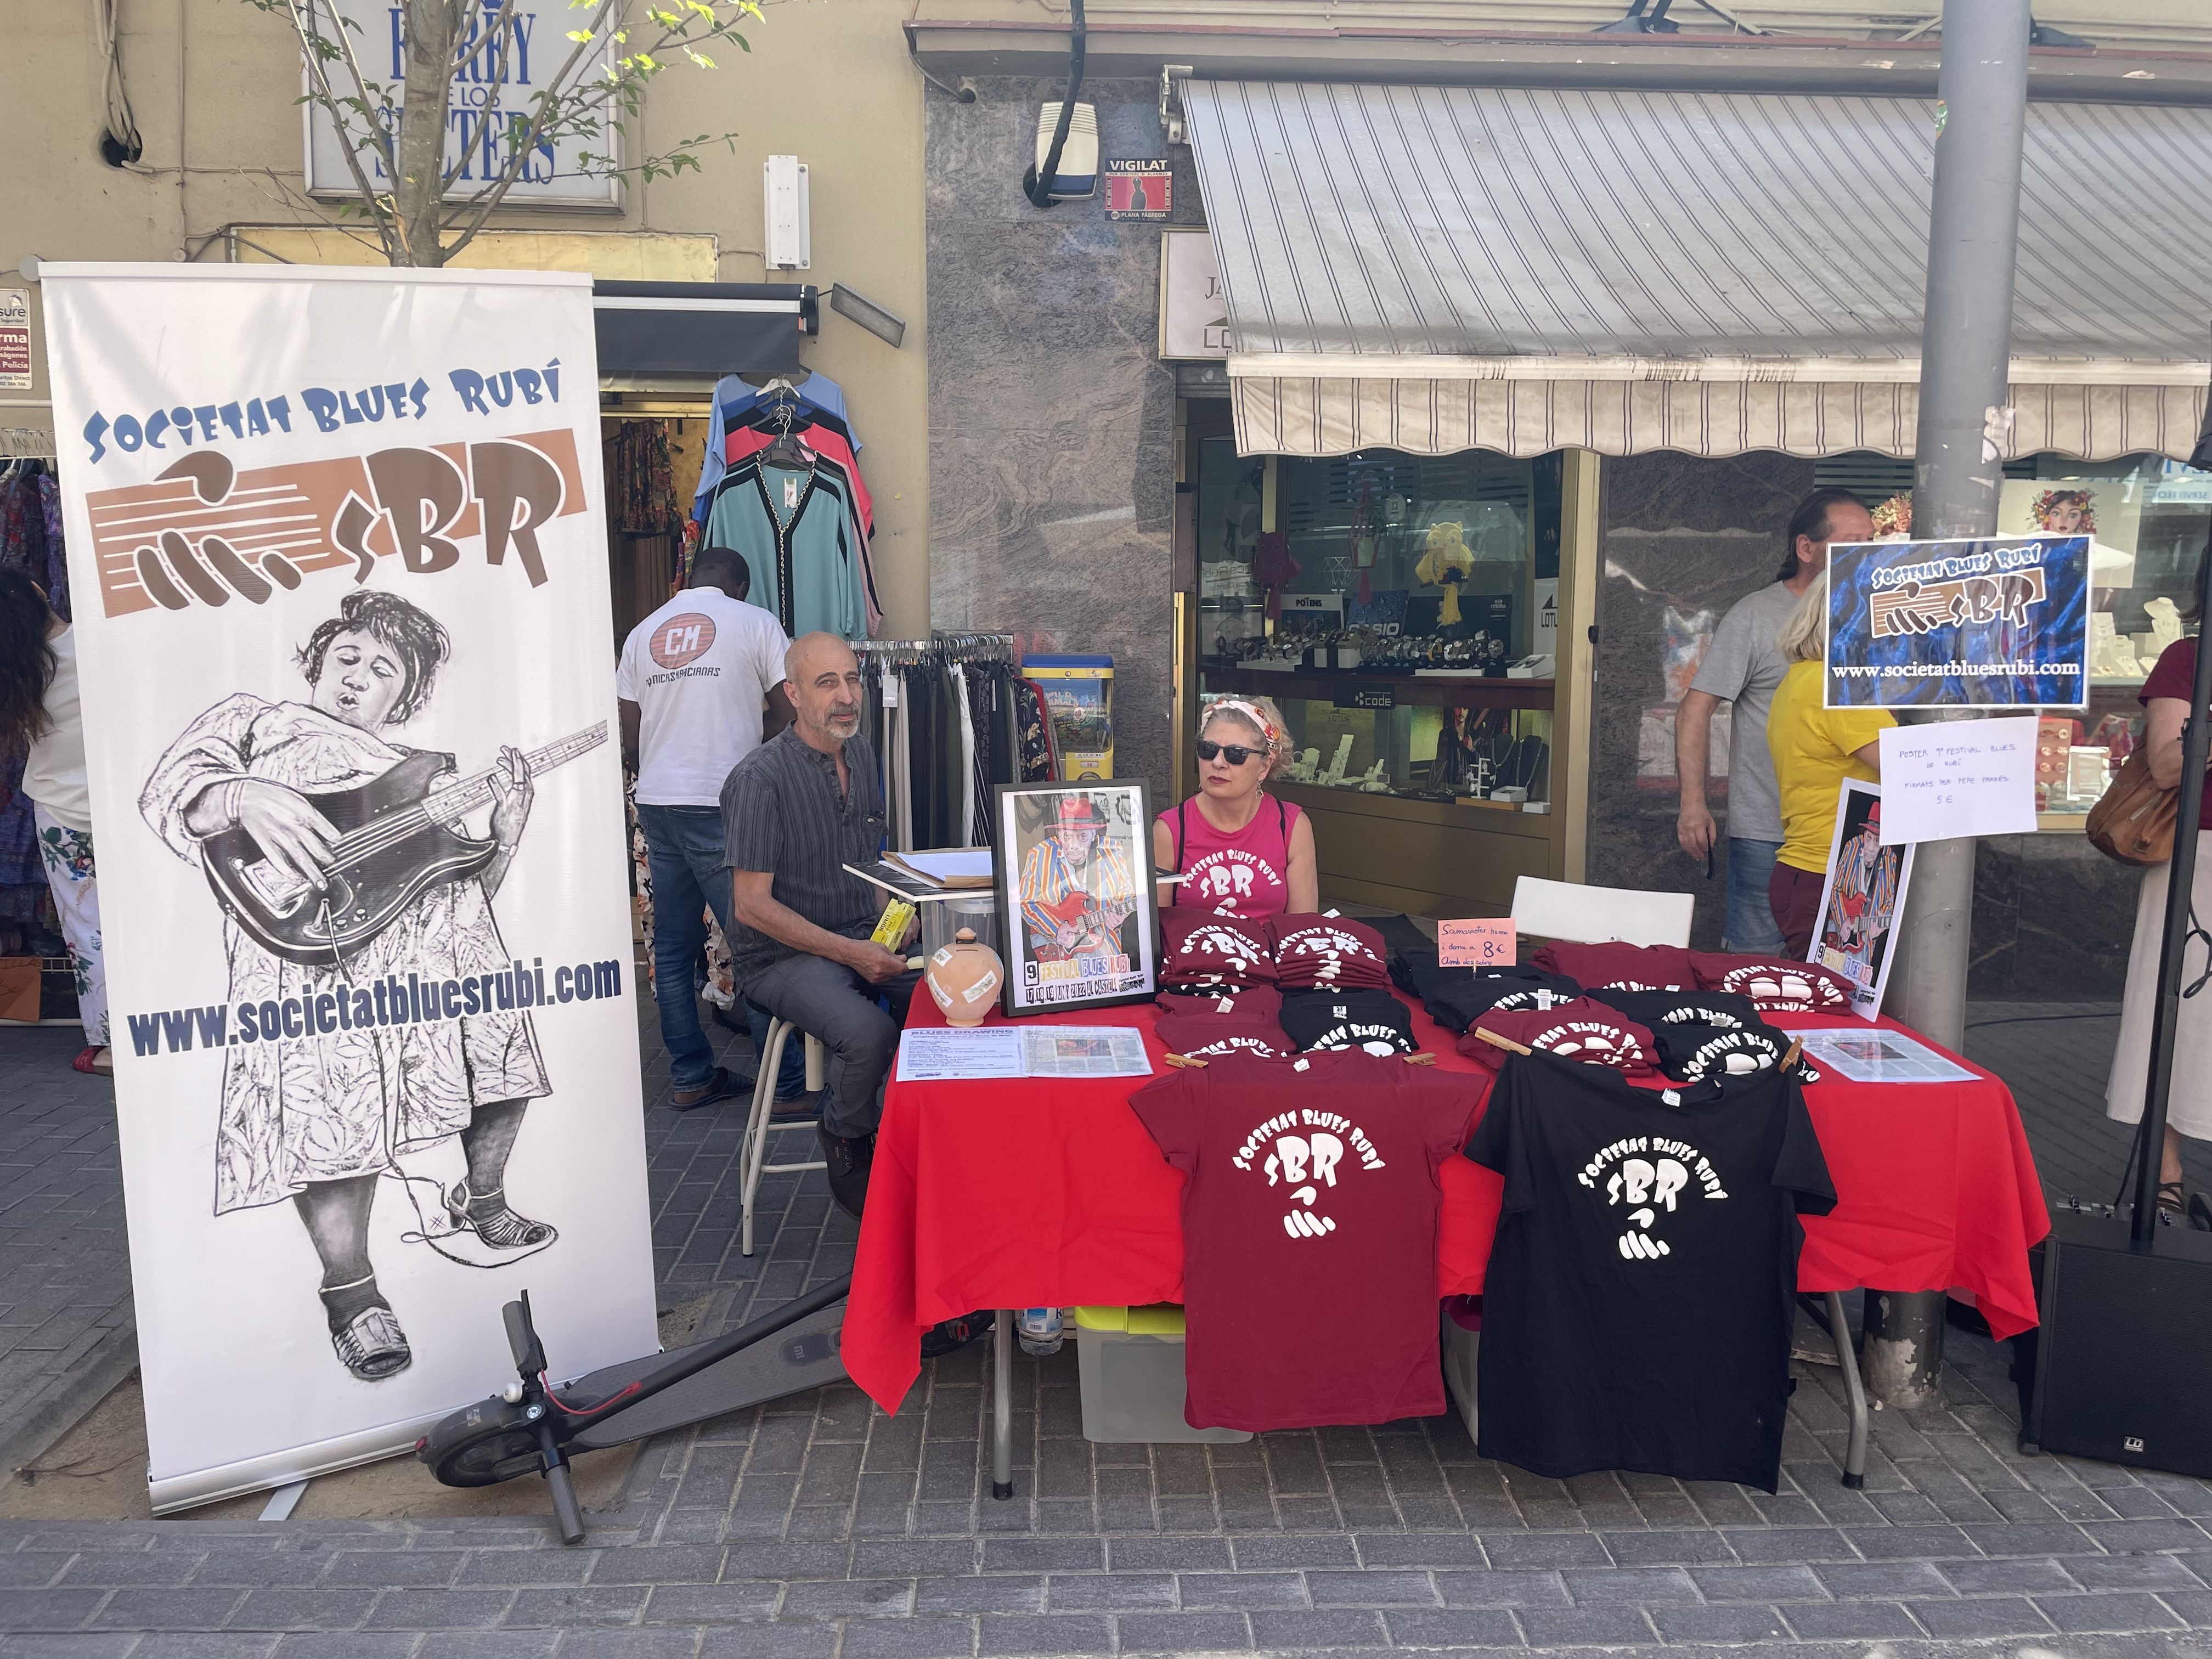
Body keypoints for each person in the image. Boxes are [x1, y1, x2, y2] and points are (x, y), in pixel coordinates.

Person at [139, 590, 548, 1383]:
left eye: (383, 668)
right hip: (305, 955)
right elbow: (172, 786)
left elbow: (455, 894)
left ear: (408, 695)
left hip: (425, 967)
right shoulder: (258, 720)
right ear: (319, 663)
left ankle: (485, 1200)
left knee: (499, 1049)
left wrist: (504, 836)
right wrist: (240, 793)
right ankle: (351, 1296)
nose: (359, 676)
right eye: (348, 657)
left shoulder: (412, 775)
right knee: (334, 1112)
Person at [724, 631, 918, 1217]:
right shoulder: (758, 779)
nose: (846, 696)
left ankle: (919, 1138)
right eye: (826, 682)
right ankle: (845, 1131)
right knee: (869, 1034)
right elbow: (751, 906)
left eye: (853, 679)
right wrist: (853, 953)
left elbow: (870, 858)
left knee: (961, 994)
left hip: (859, 930)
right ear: (793, 694)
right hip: (780, 957)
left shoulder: (858, 750)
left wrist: (898, 914)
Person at [617, 545, 801, 1112]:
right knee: (758, 946)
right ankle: (792, 1086)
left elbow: (628, 734)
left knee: (672, 950)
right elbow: (790, 708)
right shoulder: (756, 622)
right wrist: (747, 748)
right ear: (740, 586)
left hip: (658, 802)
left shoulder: (642, 632)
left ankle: (691, 1076)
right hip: (723, 802)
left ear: (693, 581)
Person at [1677, 488, 1876, 950]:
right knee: (1756, 966)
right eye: (1851, 541)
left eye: (1871, 540)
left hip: (1856, 836)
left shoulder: (1877, 614)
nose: (1865, 554)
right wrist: (1693, 805)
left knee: (1843, 975)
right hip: (1769, 830)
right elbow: (1695, 708)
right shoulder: (1756, 615)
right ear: (1806, 549)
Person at [2105, 614, 2212, 1221]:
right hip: (2199, 856)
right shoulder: (2189, 657)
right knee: (2174, 1015)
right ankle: (2163, 1175)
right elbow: (2170, 763)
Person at [2, 569, 107, 1073]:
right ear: (40, 594)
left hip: (62, 814)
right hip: (121, 804)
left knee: (88, 931)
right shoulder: (103, 644)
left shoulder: (19, 672)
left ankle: (109, 1044)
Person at [1762, 586, 1894, 959]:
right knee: (1838, 1012)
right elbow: (1911, 771)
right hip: (1834, 880)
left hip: (1808, 872)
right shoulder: (1839, 686)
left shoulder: (1799, 680)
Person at [1152, 695, 1318, 917]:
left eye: (1236, 754)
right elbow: (1157, 930)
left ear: (1264, 766)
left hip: (1270, 952)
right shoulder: (1170, 830)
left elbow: (1302, 930)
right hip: (1195, 951)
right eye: (1208, 749)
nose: (1218, 762)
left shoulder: (1291, 826)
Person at [1022, 794, 1142, 963]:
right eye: (1067, 836)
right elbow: (1026, 902)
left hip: (1106, 956)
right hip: (1056, 956)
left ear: (1094, 834)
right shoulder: (1040, 854)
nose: (1073, 846)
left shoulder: (1112, 852)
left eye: (1082, 837)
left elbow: (1127, 894)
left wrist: (1122, 913)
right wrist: (1056, 928)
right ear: (1058, 833)